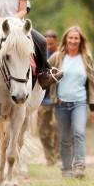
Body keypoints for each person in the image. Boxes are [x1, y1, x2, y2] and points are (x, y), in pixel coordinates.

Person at [48, 26, 94, 179]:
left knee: (79, 133)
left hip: (79, 102)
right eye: (70, 38)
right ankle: (66, 169)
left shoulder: (86, 58)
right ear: (65, 39)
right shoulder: (57, 57)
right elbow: (45, 73)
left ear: (80, 41)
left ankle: (79, 167)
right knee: (65, 138)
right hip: (61, 104)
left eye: (76, 38)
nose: (73, 41)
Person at [37, 30, 60, 165]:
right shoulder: (40, 56)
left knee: (58, 129)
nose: (49, 46)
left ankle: (58, 157)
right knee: (43, 131)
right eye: (47, 44)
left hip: (58, 99)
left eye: (51, 44)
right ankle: (49, 158)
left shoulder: (60, 56)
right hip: (43, 100)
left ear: (56, 42)